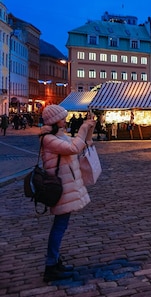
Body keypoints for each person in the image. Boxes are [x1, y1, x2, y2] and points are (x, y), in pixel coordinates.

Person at [39, 105, 96, 282]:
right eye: (62, 117)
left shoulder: (58, 136)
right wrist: (83, 128)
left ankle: (55, 261)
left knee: (61, 225)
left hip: (66, 186)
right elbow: (72, 149)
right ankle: (51, 266)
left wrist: (89, 129)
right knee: (59, 226)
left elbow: (79, 145)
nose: (65, 120)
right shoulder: (48, 139)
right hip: (60, 187)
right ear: (54, 120)